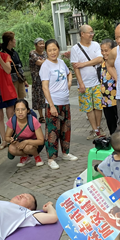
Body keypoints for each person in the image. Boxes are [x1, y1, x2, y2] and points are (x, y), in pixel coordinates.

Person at [40, 39, 78, 170]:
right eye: (49, 50)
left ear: (58, 49)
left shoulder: (61, 62)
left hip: (65, 102)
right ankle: (51, 159)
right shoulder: (45, 66)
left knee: (65, 128)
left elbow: (69, 73)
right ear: (46, 52)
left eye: (54, 49)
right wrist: (51, 105)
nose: (52, 52)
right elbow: (45, 87)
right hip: (53, 103)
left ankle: (65, 153)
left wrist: (69, 82)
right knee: (52, 131)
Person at [70, 24, 104, 139]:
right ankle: (94, 129)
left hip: (97, 82)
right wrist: (81, 84)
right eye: (90, 32)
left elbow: (100, 59)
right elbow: (75, 68)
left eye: (92, 32)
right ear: (82, 34)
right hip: (84, 83)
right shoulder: (75, 49)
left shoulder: (95, 45)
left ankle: (99, 127)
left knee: (98, 106)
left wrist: (83, 64)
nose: (92, 34)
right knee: (88, 108)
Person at [5, 99, 45, 168]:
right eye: (17, 110)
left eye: (23, 109)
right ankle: (25, 156)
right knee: (11, 148)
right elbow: (6, 137)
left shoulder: (33, 120)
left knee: (28, 148)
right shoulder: (12, 120)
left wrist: (27, 142)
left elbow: (41, 141)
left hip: (35, 142)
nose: (20, 112)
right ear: (14, 111)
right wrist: (10, 140)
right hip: (20, 141)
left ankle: (37, 156)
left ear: (28, 110)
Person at [1, 31, 28, 100]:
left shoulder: (15, 53)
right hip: (10, 80)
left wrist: (24, 80)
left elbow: (19, 66)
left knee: (22, 99)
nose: (15, 41)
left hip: (19, 79)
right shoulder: (3, 54)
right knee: (14, 100)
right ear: (9, 41)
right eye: (14, 39)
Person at [99, 39, 118, 135]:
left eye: (106, 50)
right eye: (102, 50)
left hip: (116, 99)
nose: (104, 53)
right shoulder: (102, 63)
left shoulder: (116, 63)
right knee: (111, 124)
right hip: (106, 101)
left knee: (119, 123)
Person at [29, 38, 47, 124]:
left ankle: (48, 114)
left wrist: (44, 61)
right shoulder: (32, 53)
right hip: (37, 79)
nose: (42, 45)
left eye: (43, 43)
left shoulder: (46, 53)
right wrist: (46, 61)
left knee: (47, 96)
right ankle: (41, 116)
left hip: (46, 77)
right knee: (39, 97)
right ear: (35, 45)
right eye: (40, 44)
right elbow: (39, 62)